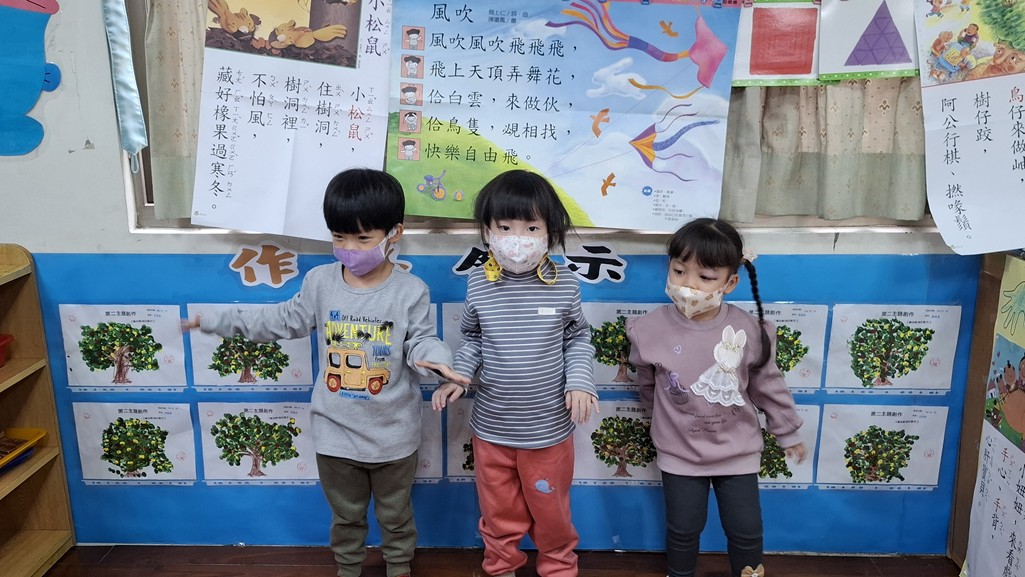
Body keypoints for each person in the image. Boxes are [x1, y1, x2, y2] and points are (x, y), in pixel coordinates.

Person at [183, 168, 468, 577]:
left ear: (394, 234)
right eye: (339, 237)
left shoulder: (411, 291)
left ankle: (399, 566)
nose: (349, 248)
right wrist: (216, 320)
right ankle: (348, 568)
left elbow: (421, 340)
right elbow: (278, 321)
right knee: (346, 515)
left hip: (394, 434)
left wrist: (436, 358)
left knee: (395, 514)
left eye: (363, 238)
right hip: (335, 431)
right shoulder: (320, 283)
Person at [431, 170, 599, 577]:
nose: (517, 238)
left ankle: (558, 567)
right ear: (487, 232)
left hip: (548, 431)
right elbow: (473, 338)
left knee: (552, 512)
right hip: (492, 428)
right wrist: (458, 376)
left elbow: (578, 338)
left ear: (550, 232)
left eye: (531, 227)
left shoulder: (565, 284)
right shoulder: (478, 282)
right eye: (505, 227)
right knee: (498, 511)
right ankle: (501, 565)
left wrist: (580, 381)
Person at [626, 218, 806, 577]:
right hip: (679, 453)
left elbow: (767, 384)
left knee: (746, 529)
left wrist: (787, 431)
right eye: (679, 271)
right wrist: (664, 419)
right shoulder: (648, 329)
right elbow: (648, 386)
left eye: (705, 277)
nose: (689, 285)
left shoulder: (748, 330)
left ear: (730, 282)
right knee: (683, 528)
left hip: (737, 452)